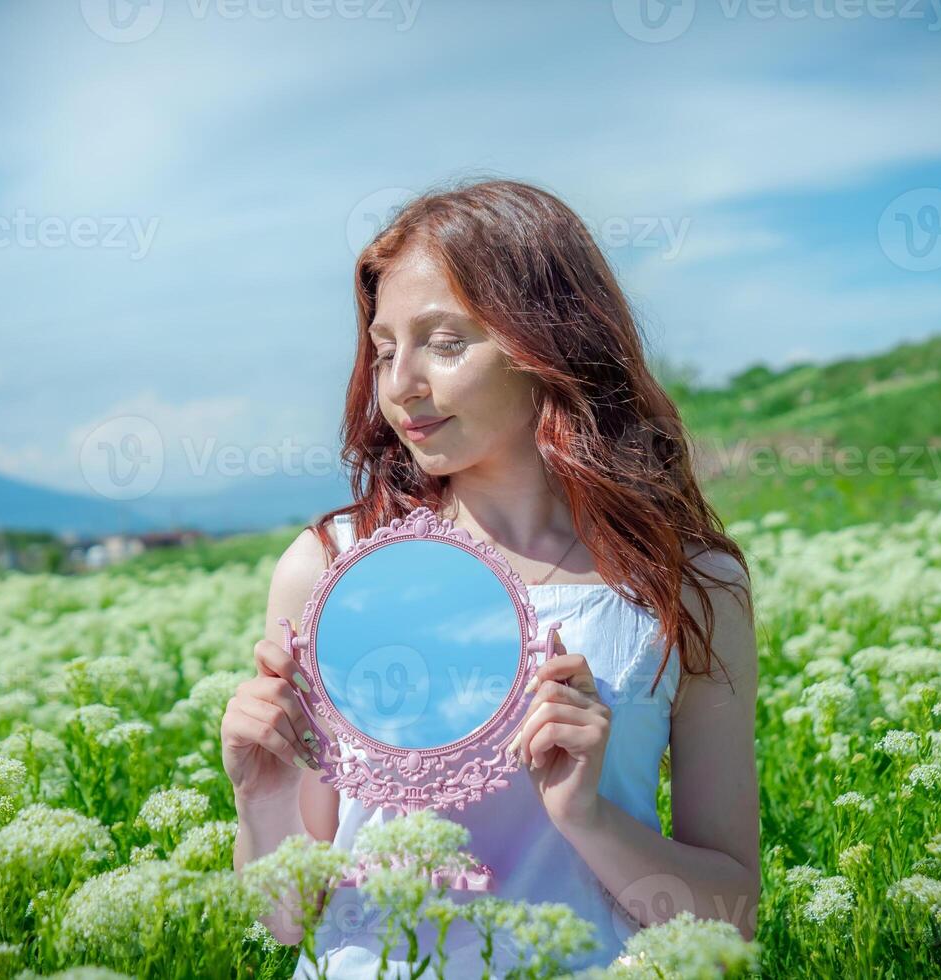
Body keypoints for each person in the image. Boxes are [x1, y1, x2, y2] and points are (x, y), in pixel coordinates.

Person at [224, 177, 760, 977]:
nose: (402, 384)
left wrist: (588, 817)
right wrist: (260, 792)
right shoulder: (331, 567)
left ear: (549, 343)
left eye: (445, 343)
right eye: (384, 349)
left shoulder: (688, 584)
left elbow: (733, 922)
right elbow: (282, 921)